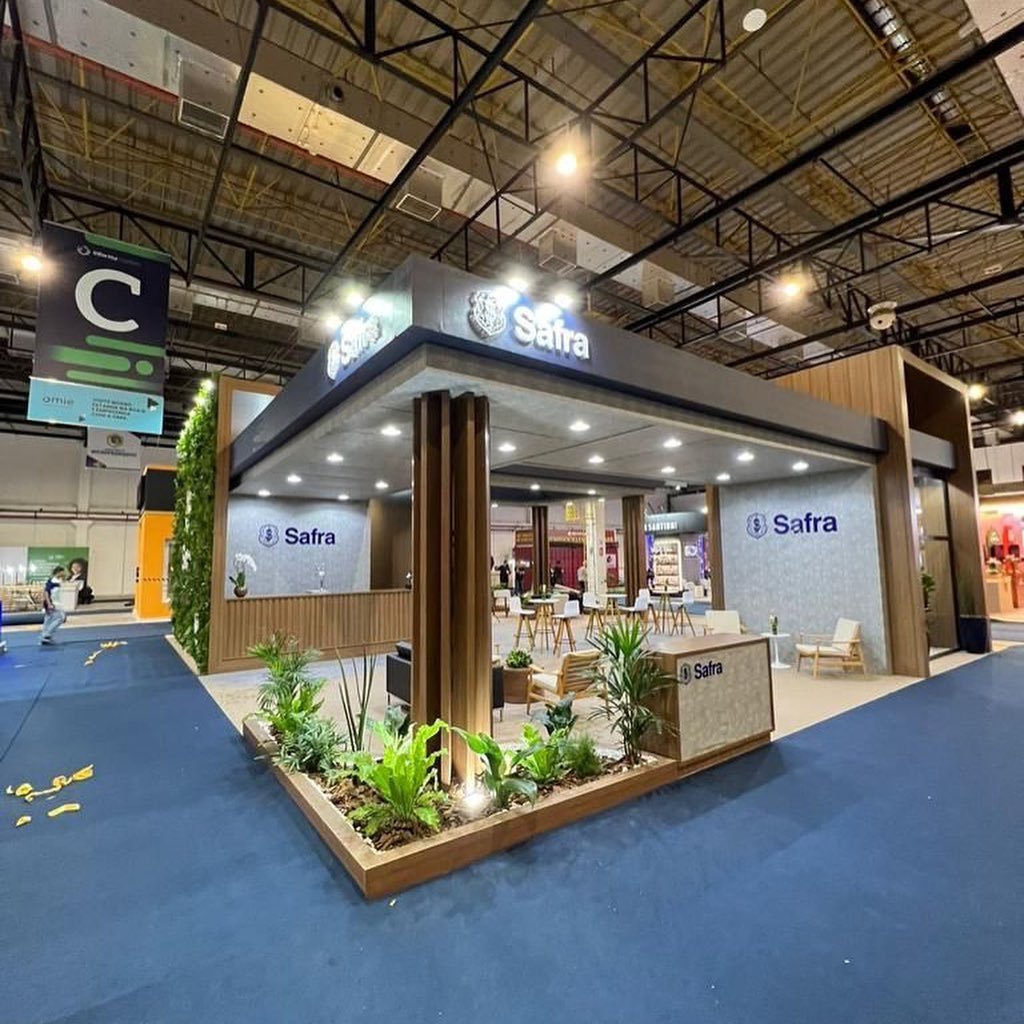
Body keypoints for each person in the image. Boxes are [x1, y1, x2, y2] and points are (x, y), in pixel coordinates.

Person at [40, 566, 67, 646]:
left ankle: (44, 636)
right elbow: (46, 592)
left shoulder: (58, 581)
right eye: (62, 572)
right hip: (53, 603)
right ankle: (47, 634)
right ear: (58, 572)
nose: (64, 573)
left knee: (48, 619)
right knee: (60, 618)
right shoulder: (52, 581)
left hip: (56, 602)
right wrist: (49, 604)